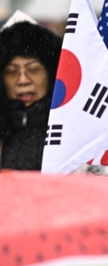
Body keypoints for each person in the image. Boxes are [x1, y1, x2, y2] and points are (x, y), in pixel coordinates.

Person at [0, 21, 61, 170]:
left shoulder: (72, 130)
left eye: (33, 70)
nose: (23, 80)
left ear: (51, 74)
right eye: (11, 72)